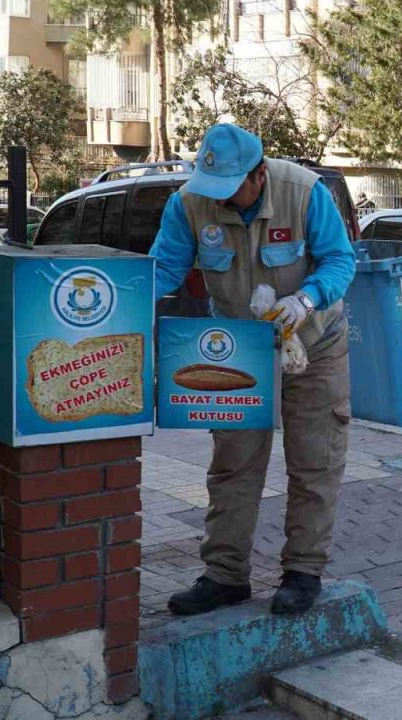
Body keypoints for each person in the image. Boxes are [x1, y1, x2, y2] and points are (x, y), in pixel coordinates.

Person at [150, 124, 356, 615]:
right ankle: (225, 576)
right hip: (238, 348)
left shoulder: (304, 193)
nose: (218, 199)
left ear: (259, 175)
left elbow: (340, 260)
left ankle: (302, 572)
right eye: (211, 187)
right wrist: (126, 306)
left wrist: (306, 299)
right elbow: (163, 269)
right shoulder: (188, 203)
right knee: (233, 465)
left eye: (230, 188)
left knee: (314, 460)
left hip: (313, 343)